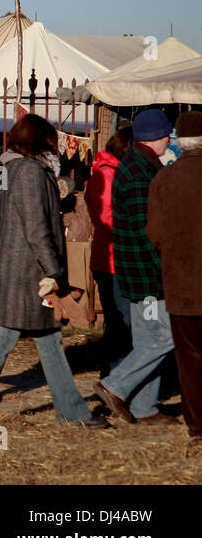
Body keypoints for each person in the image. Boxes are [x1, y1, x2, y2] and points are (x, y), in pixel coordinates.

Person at [0, 115, 108, 428]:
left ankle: (69, 411)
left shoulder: (14, 168)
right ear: (40, 141)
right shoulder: (28, 172)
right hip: (29, 273)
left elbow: (28, 214)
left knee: (43, 340)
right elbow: (36, 227)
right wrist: (55, 269)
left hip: (21, 269)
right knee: (8, 340)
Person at [97, 108, 178, 425]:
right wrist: (165, 266)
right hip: (148, 275)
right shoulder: (143, 173)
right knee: (167, 336)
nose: (170, 138)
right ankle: (114, 385)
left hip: (134, 271)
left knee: (148, 340)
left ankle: (145, 408)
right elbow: (149, 231)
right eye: (167, 133)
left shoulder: (135, 166)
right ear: (156, 137)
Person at [146, 111, 202, 448]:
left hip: (182, 284)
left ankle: (197, 427)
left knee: (190, 357)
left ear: (180, 142)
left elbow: (154, 233)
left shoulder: (164, 180)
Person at [85, 126, 133, 376]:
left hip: (109, 256)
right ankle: (115, 377)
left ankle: (113, 375)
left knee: (117, 321)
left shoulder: (106, 171)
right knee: (120, 322)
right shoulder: (108, 174)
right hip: (112, 259)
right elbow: (108, 217)